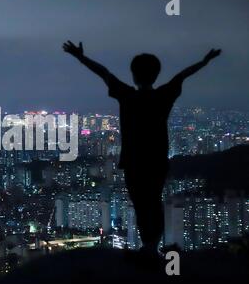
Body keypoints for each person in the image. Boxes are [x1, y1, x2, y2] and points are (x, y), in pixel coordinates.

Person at [63, 41, 221, 257]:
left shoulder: (127, 94)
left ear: (133, 74)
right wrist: (205, 61)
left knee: (140, 204)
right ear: (156, 75)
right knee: (153, 202)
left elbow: (104, 73)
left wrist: (80, 57)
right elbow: (183, 75)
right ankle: (151, 247)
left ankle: (148, 247)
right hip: (156, 161)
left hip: (134, 161)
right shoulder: (163, 95)